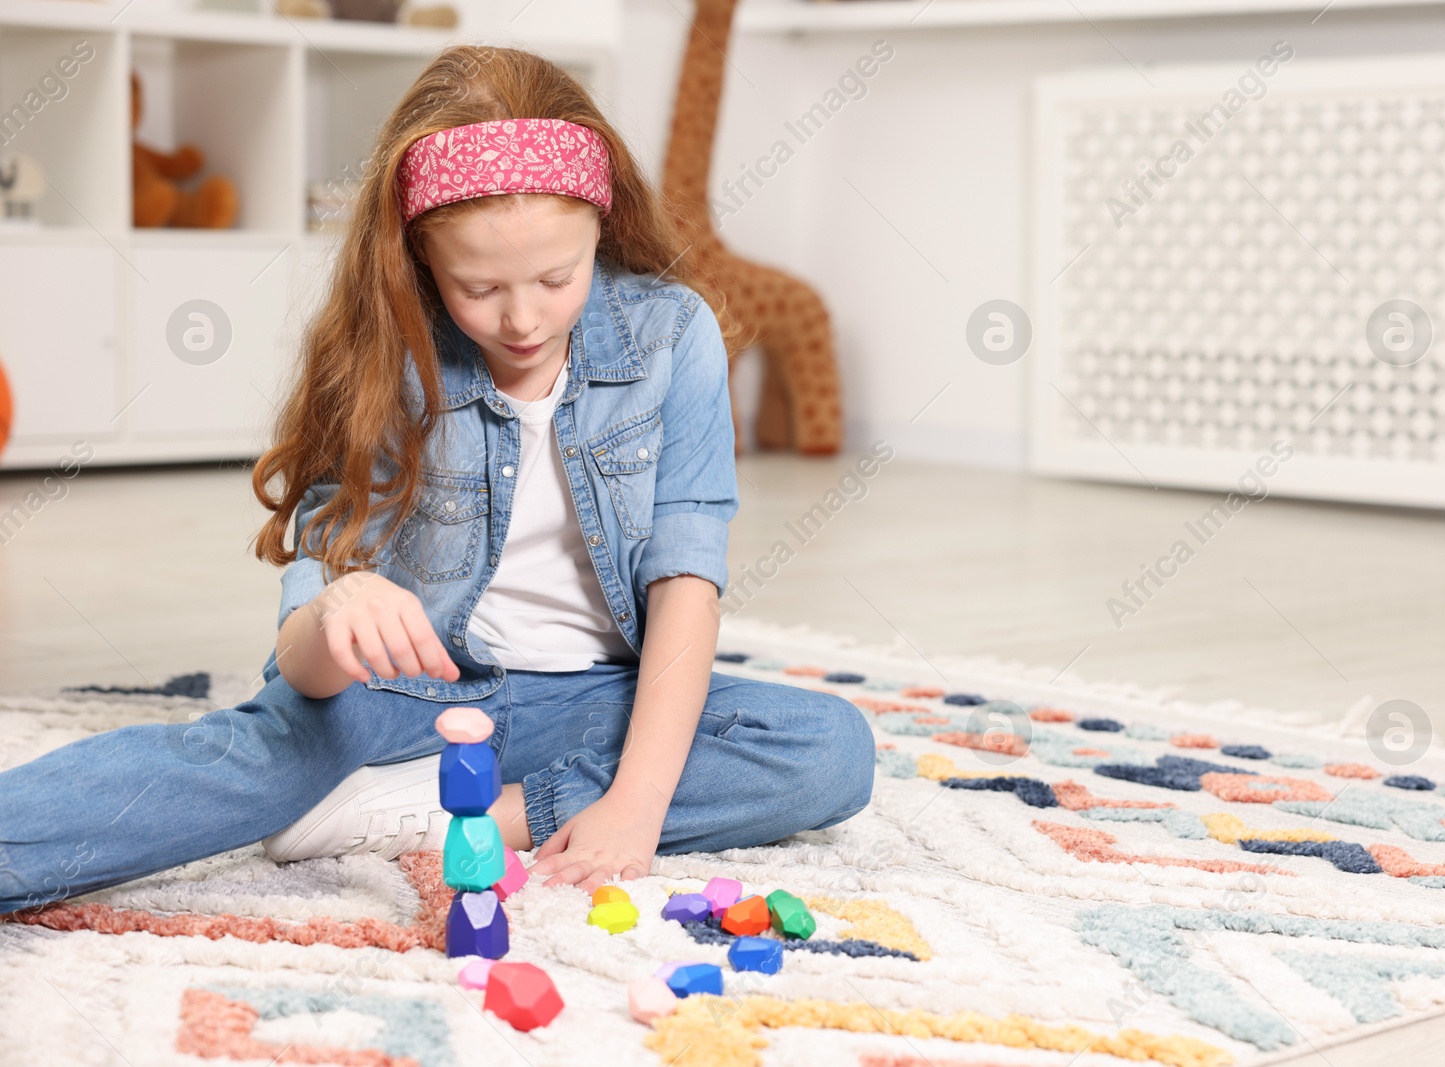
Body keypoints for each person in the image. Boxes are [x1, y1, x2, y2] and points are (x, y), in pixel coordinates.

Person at [0, 46, 874, 914]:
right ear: (419, 257)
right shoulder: (391, 357)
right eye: (480, 286)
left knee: (828, 748)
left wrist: (635, 806)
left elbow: (688, 578)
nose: (523, 318)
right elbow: (304, 672)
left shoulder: (672, 336)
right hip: (416, 698)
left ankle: (453, 813)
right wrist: (332, 614)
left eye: (555, 278)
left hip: (595, 697)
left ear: (602, 224)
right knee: (252, 759)